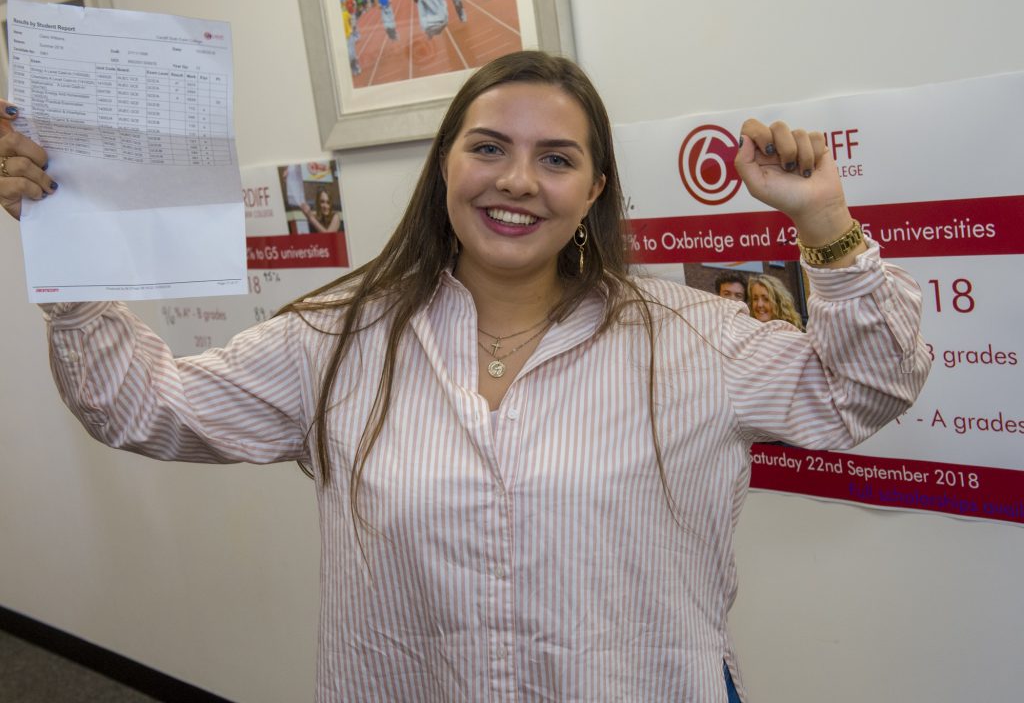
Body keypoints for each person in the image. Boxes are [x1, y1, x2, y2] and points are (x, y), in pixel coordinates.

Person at [0, 51, 929, 702]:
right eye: (488, 147)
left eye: (556, 159)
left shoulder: (693, 339)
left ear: (595, 190)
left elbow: (866, 390)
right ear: (445, 163)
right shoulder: (337, 339)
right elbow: (141, 408)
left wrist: (823, 220)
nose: (517, 180)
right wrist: (68, 243)